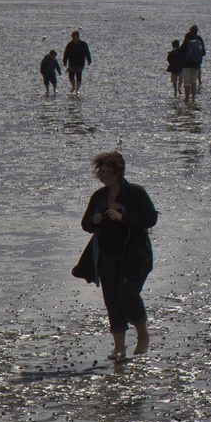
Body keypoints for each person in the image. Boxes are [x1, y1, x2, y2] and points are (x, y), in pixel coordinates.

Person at [78, 151, 158, 361]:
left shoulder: (135, 193)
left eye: (107, 173)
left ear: (118, 173)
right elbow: (85, 224)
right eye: (101, 172)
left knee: (127, 296)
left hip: (135, 257)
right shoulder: (99, 197)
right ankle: (119, 347)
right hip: (105, 257)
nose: (103, 176)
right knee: (112, 301)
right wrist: (93, 221)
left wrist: (124, 217)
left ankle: (143, 337)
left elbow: (150, 218)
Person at [180, 26, 205, 103]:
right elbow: (203, 53)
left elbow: (180, 52)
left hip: (186, 65)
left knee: (187, 82)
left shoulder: (186, 43)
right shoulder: (199, 41)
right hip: (196, 65)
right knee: (193, 82)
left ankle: (187, 97)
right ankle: (193, 98)